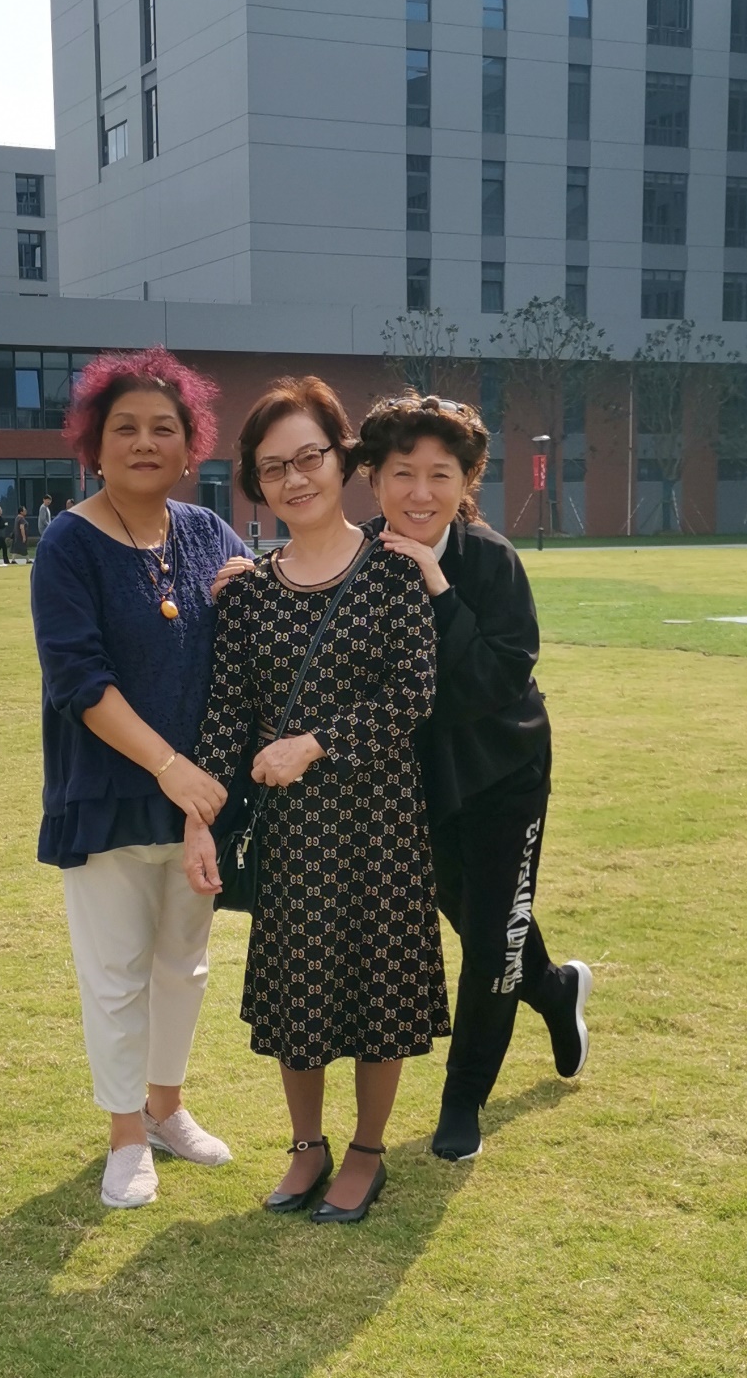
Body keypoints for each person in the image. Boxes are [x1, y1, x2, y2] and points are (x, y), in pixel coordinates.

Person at [185, 377, 448, 1224]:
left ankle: (367, 1150)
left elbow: (413, 692)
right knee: (297, 987)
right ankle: (306, 1146)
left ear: (342, 460)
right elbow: (226, 715)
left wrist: (314, 743)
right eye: (273, 468)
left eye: (308, 457)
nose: (294, 479)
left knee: (378, 985)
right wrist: (199, 819)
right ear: (255, 485)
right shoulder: (246, 592)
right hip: (294, 831)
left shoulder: (394, 569)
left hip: (380, 820)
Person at [30, 346, 251, 1210]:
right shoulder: (68, 543)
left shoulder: (208, 533)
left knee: (182, 966)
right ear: (93, 442)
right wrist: (168, 768)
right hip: (112, 793)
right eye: (124, 427)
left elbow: (255, 643)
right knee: (115, 970)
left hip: (198, 805)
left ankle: (166, 1108)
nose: (145, 442)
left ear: (191, 444)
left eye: (164, 428)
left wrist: (254, 585)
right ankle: (125, 1133)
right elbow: (78, 682)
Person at [355, 391, 593, 1163]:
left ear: (466, 481)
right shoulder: (354, 557)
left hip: (502, 772)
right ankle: (553, 989)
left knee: (490, 941)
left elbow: (493, 678)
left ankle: (463, 1099)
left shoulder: (490, 560)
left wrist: (436, 582)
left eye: (440, 474)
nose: (419, 492)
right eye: (402, 473)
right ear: (373, 478)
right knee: (477, 920)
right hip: (414, 783)